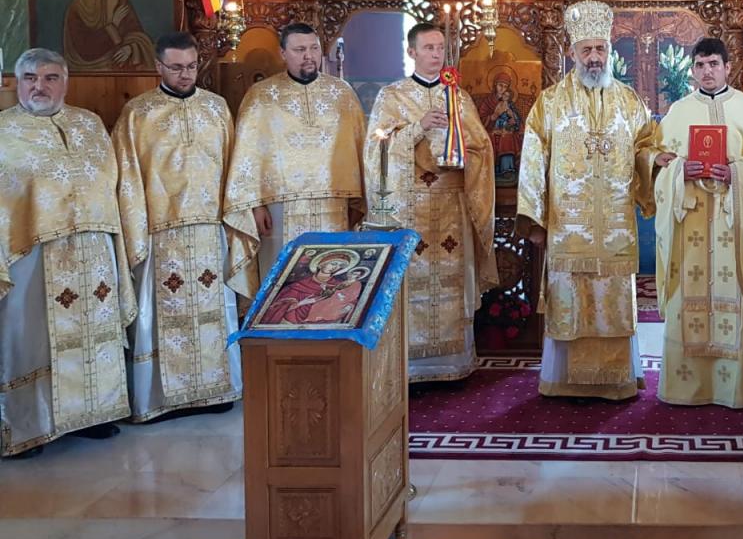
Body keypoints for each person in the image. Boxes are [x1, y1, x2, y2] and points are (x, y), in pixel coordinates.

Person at [516, 0, 662, 400]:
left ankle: (615, 381)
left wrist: (657, 160)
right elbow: (533, 159)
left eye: (600, 49)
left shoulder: (629, 101)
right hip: (568, 228)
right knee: (570, 305)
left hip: (614, 228)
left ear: (609, 51)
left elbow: (644, 146)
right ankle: (565, 381)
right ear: (572, 53)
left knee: (612, 304)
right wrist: (535, 220)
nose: (594, 57)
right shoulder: (550, 102)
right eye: (587, 50)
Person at [112, 32, 258, 422]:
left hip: (210, 230)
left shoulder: (216, 108)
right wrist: (136, 231)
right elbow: (127, 177)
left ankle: (217, 389)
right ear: (158, 67)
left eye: (192, 66)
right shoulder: (137, 114)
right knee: (160, 314)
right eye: (176, 67)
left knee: (215, 308)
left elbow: (235, 168)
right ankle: (158, 399)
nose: (185, 74)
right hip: (160, 233)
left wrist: (236, 217)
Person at [0, 49, 136, 457]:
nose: (39, 86)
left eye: (50, 78)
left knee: (95, 331)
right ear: (18, 83)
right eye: (30, 78)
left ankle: (93, 414)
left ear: (66, 82)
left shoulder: (89, 124)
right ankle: (28, 427)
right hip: (31, 252)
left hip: (93, 247)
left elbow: (110, 181)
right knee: (31, 337)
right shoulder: (4, 132)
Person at [652, 39, 743, 408]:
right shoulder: (677, 112)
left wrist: (737, 173)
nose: (707, 71)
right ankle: (684, 388)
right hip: (689, 229)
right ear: (692, 70)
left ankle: (733, 390)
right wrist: (679, 172)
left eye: (714, 63)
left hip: (733, 228)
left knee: (733, 300)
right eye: (700, 65)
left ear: (728, 67)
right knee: (685, 298)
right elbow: (658, 169)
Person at [364, 23, 497, 382]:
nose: (436, 54)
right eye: (428, 48)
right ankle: (412, 368)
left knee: (452, 281)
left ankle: (453, 365)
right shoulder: (392, 96)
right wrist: (417, 127)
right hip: (410, 209)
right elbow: (376, 149)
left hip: (452, 204)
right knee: (412, 281)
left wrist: (464, 153)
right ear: (412, 52)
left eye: (440, 48)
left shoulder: (459, 97)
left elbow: (482, 147)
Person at [224, 23, 366, 288]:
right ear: (283, 53)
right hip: (279, 208)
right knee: (282, 280)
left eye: (314, 48)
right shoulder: (261, 96)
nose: (308, 56)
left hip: (333, 206)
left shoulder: (343, 94)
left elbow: (359, 149)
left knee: (331, 277)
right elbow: (247, 155)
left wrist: (357, 201)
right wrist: (255, 205)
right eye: (299, 50)